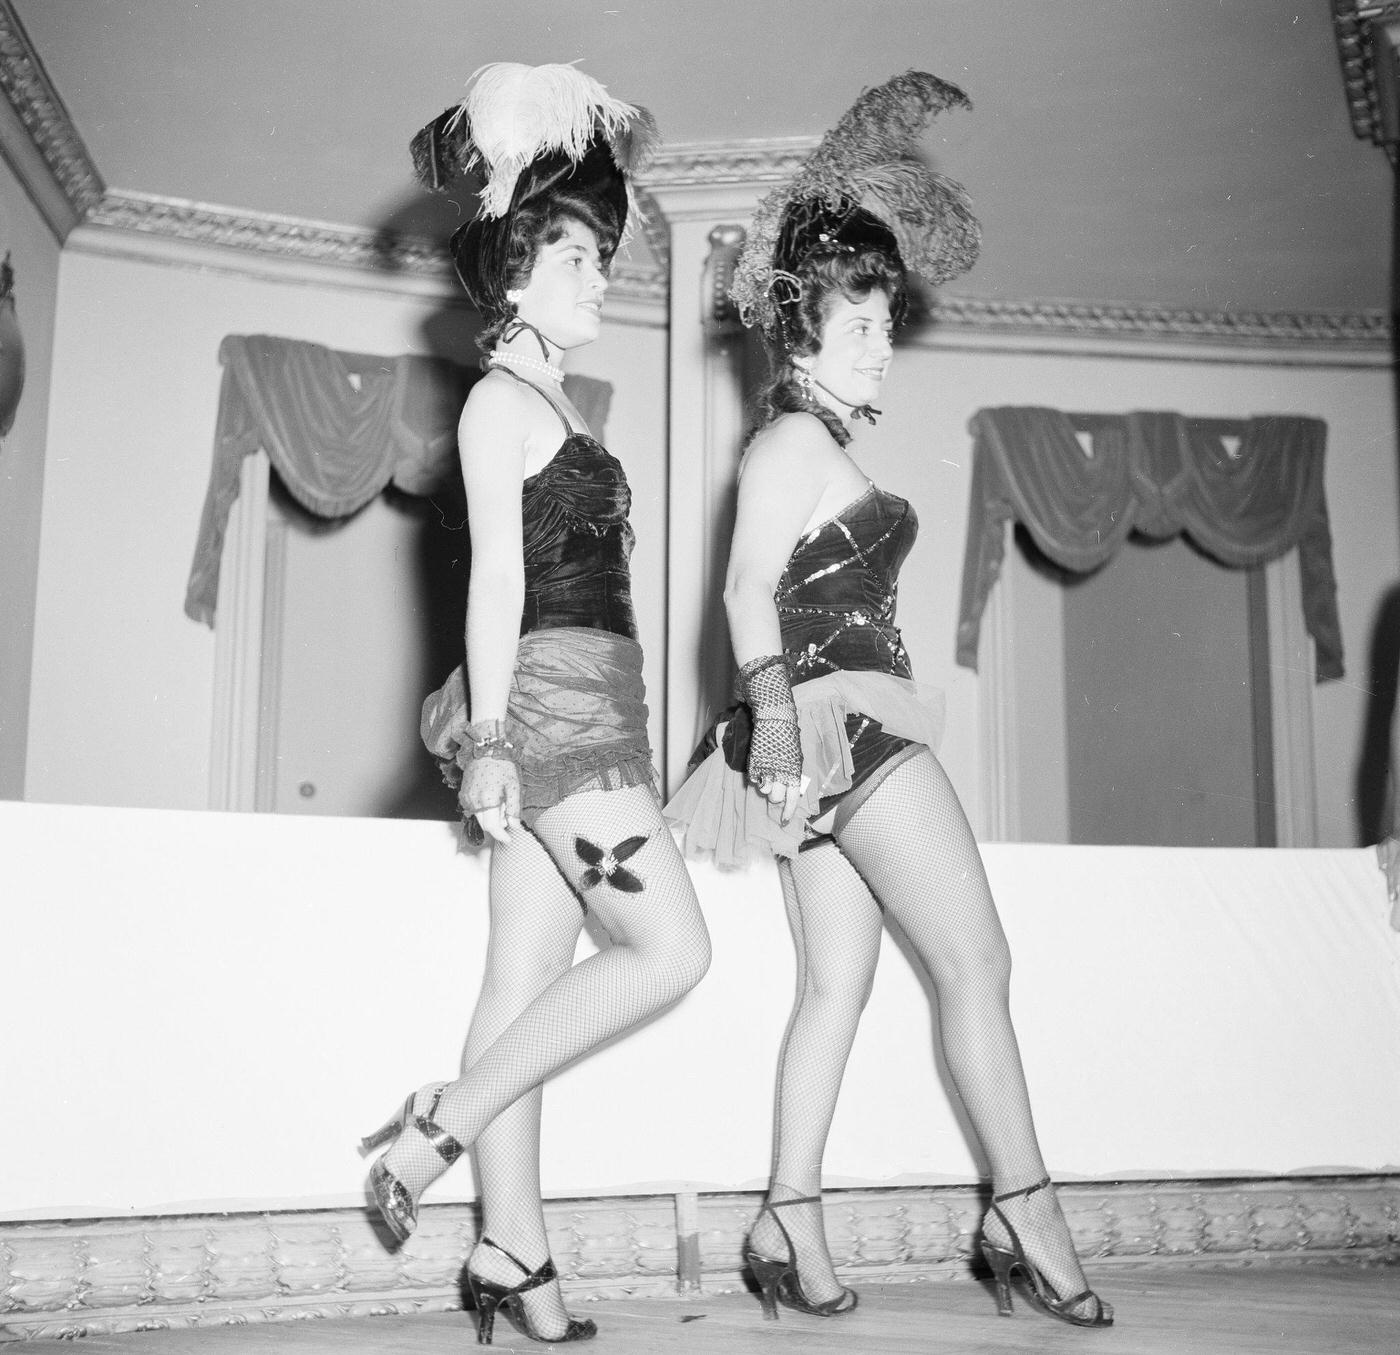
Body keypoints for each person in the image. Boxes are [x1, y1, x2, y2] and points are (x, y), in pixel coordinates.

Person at [666, 71, 1112, 1329]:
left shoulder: (812, 444)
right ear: (799, 334)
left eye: (880, 321)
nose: (880, 343)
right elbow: (746, 589)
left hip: (819, 729)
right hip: (834, 727)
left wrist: (776, 743)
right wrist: (771, 743)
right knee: (977, 957)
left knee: (835, 986)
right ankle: (1022, 1202)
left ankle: (783, 1214)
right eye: (859, 323)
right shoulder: (792, 443)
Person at [361, 64, 710, 1347]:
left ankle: (515, 1250)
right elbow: (495, 580)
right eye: (571, 258)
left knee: (521, 975)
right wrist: (494, 741)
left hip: (590, 695)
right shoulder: (502, 401)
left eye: (599, 258)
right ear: (511, 272)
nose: (595, 278)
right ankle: (439, 1124)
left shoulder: (551, 397)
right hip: (552, 709)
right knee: (672, 951)